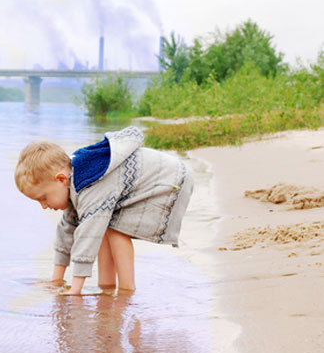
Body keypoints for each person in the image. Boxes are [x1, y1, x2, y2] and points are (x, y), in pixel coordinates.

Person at [14, 126, 194, 295]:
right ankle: (107, 288)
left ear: (61, 179)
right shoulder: (73, 186)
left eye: (43, 198)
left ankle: (126, 290)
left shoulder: (89, 187)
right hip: (154, 177)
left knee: (116, 229)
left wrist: (75, 289)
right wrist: (56, 280)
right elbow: (66, 231)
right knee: (104, 224)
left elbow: (87, 237)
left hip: (169, 178)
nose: (44, 206)